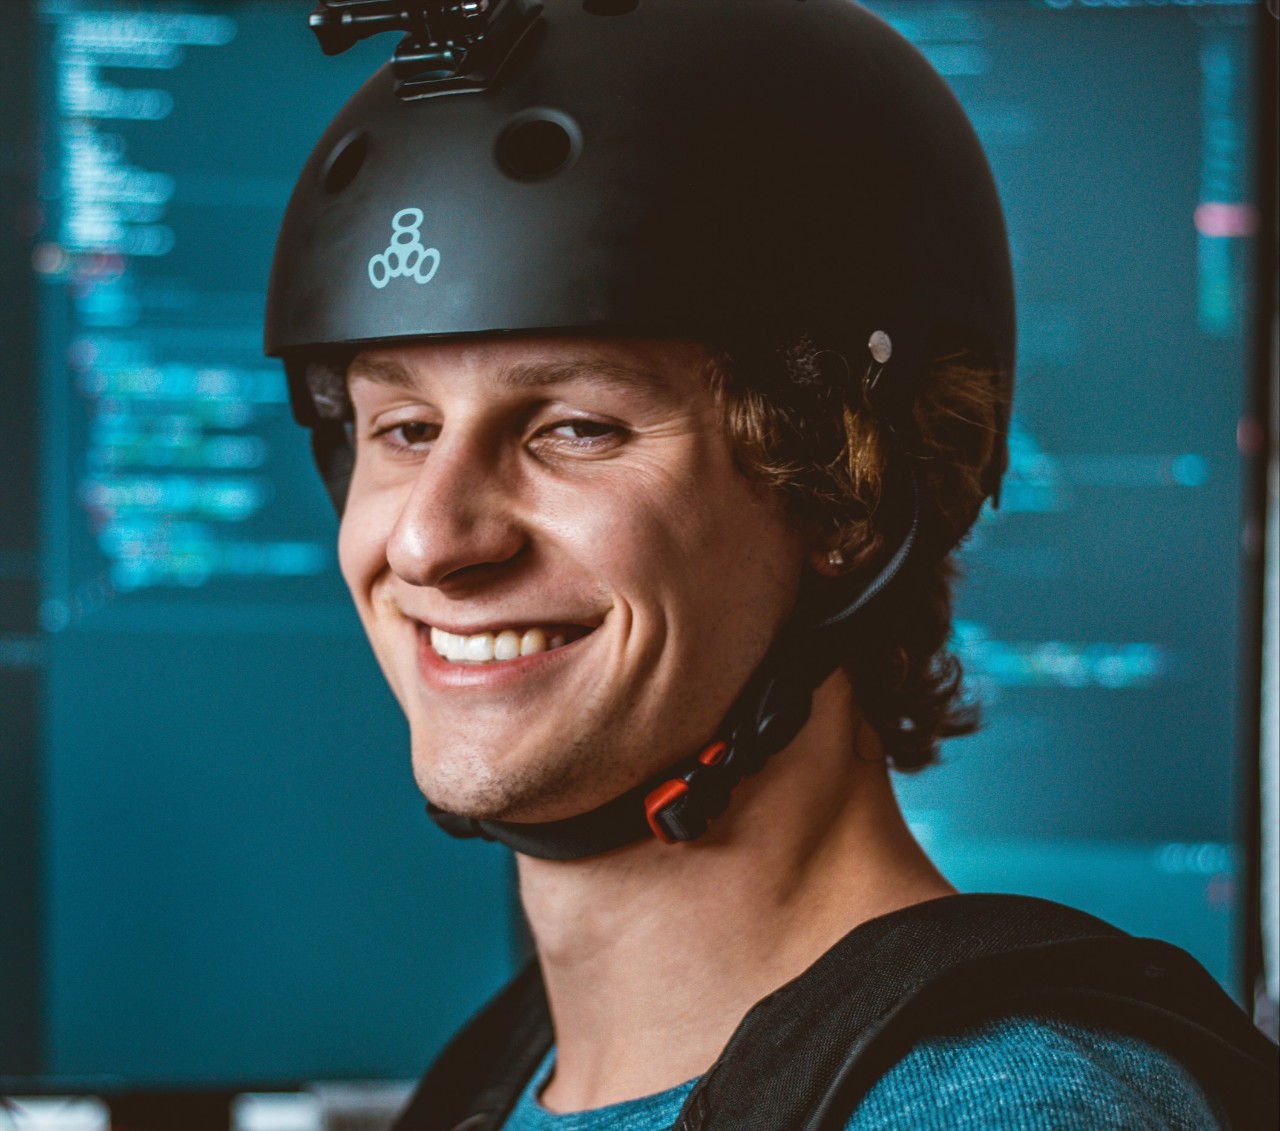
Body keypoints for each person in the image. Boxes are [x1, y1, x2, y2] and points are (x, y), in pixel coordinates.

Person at [265, 2, 1277, 1127]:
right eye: (402, 428)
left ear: (842, 492)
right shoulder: (498, 1087)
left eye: (575, 427)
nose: (428, 540)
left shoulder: (994, 1108)